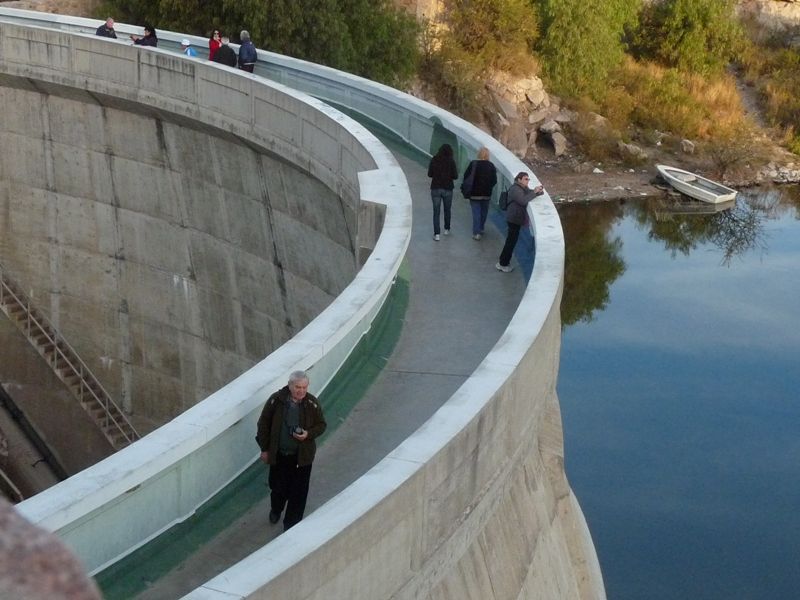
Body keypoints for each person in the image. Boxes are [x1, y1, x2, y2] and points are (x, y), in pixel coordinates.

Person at [256, 370, 326, 531]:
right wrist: (264, 449)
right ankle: (276, 509)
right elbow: (264, 424)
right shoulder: (276, 401)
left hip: (302, 458)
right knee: (278, 487)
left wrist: (308, 434)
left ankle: (291, 525)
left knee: (299, 493)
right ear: (290, 386)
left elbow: (321, 425)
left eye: (304, 387)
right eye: (297, 387)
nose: (301, 391)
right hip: (280, 455)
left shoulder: (311, 403)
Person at [496, 172, 544, 273]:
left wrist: (538, 191)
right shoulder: (515, 189)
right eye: (526, 179)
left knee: (511, 241)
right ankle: (503, 264)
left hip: (515, 218)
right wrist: (534, 192)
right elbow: (523, 200)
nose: (528, 181)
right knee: (510, 242)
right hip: (513, 219)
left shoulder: (522, 188)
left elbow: (529, 193)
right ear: (519, 180)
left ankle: (502, 261)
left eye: (528, 179)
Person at [462, 147, 497, 240]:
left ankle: (476, 232)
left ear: (479, 154)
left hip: (474, 193)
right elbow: (494, 180)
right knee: (484, 212)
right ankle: (481, 228)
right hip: (486, 193)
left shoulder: (473, 164)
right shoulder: (491, 166)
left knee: (476, 212)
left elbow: (466, 176)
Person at [427, 143, 459, 241]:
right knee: (447, 209)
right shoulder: (451, 161)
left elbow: (429, 174)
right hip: (448, 188)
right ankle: (447, 229)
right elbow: (455, 176)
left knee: (436, 212)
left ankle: (437, 234)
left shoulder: (434, 159)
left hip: (436, 188)